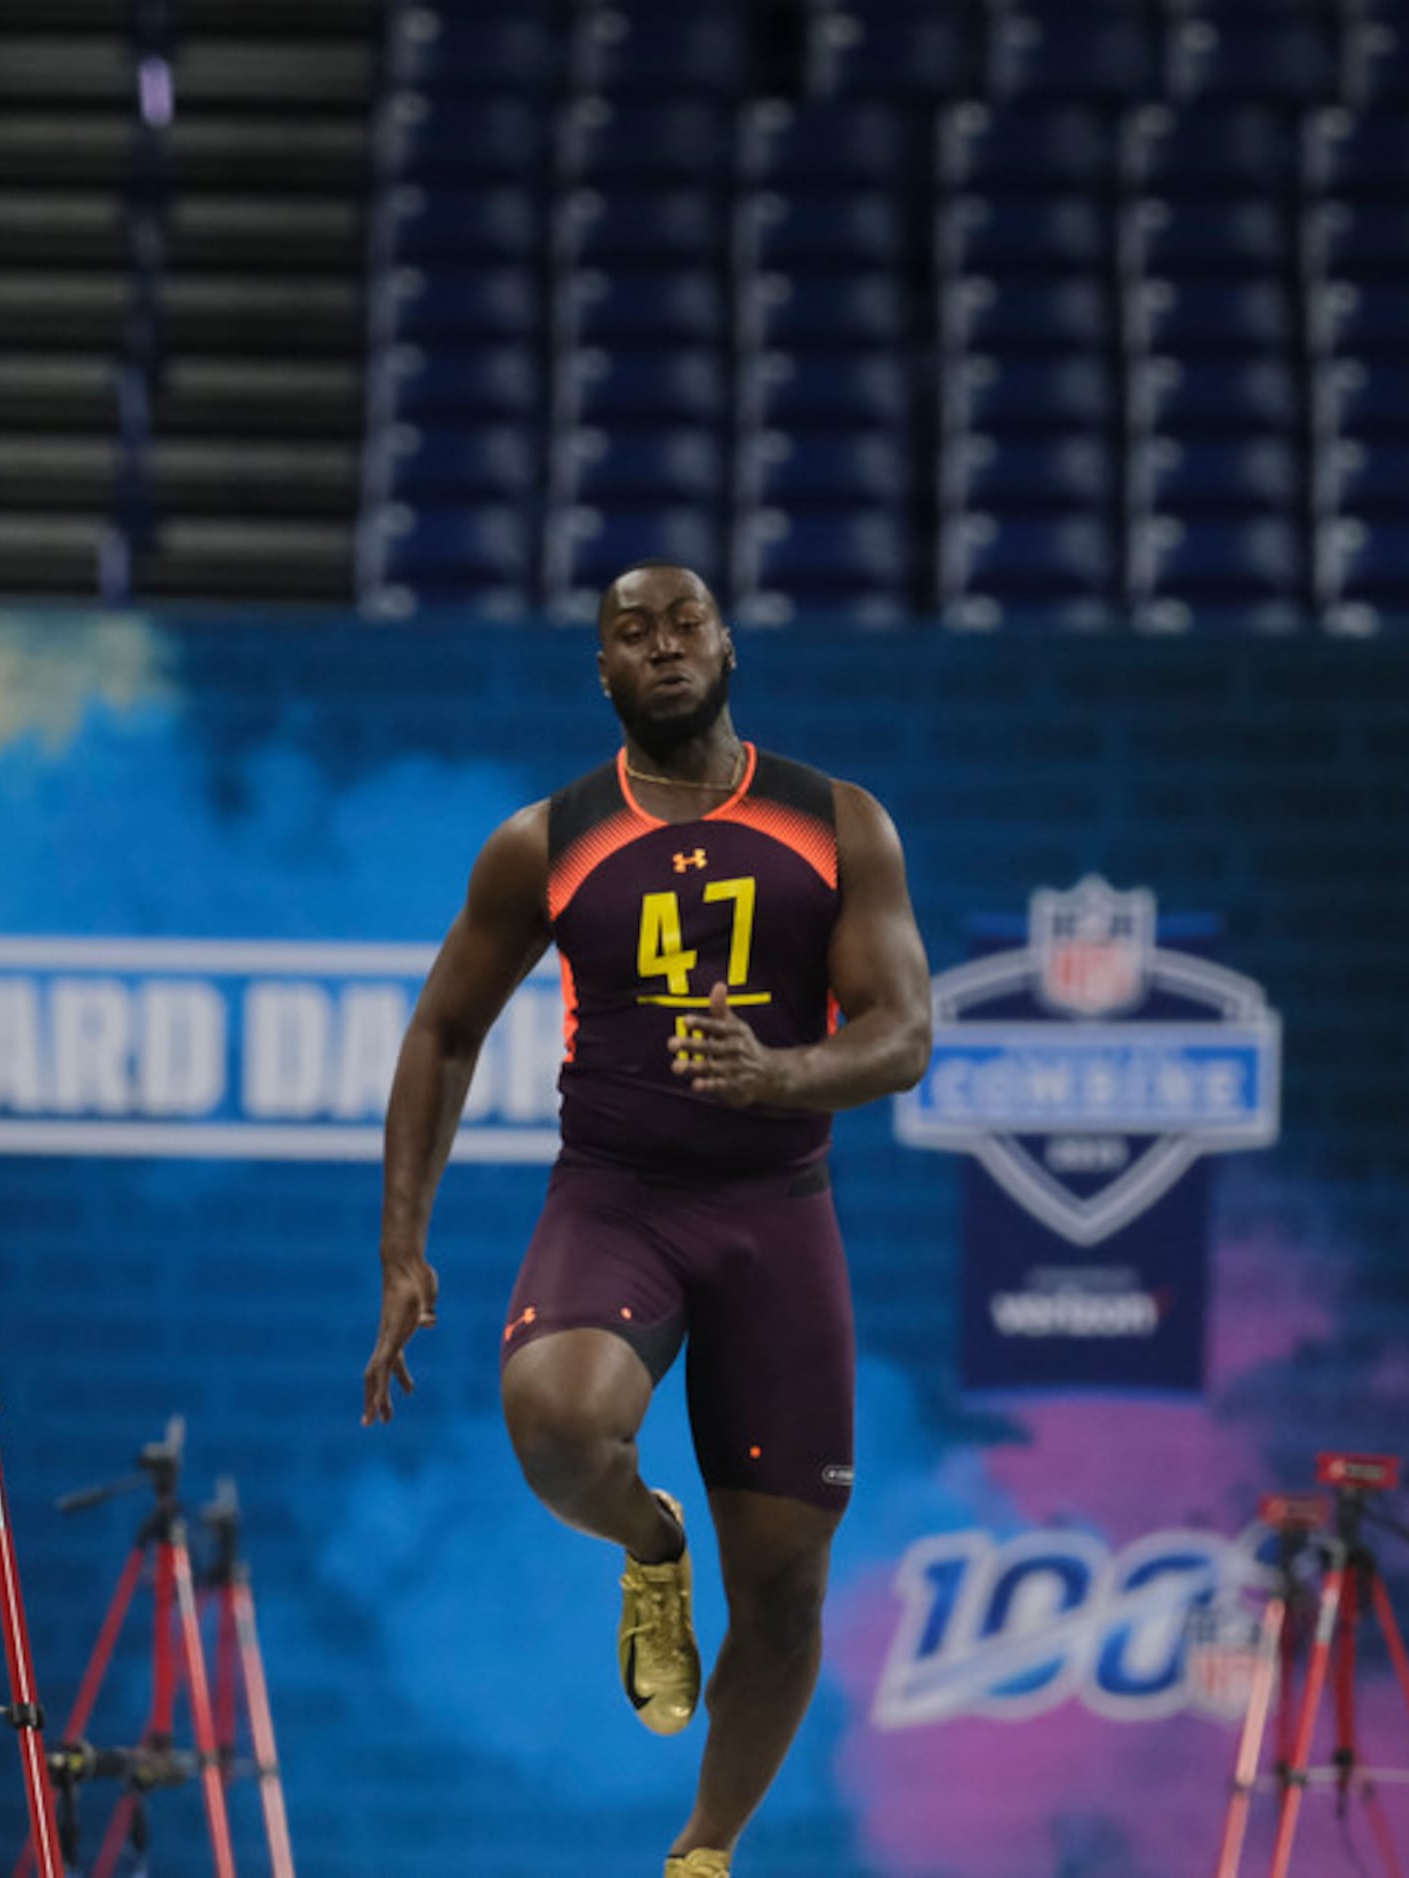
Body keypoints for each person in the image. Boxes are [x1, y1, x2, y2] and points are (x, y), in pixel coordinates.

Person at [360, 563, 935, 1877]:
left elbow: (904, 1034)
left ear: (728, 646)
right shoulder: (543, 839)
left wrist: (785, 1072)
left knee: (787, 1595)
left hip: (775, 1214)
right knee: (557, 1427)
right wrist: (403, 1248)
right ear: (603, 672)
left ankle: (702, 1851)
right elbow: (444, 1029)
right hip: (617, 1195)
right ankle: (652, 1542)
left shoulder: (838, 820)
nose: (662, 645)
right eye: (632, 631)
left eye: (685, 622)